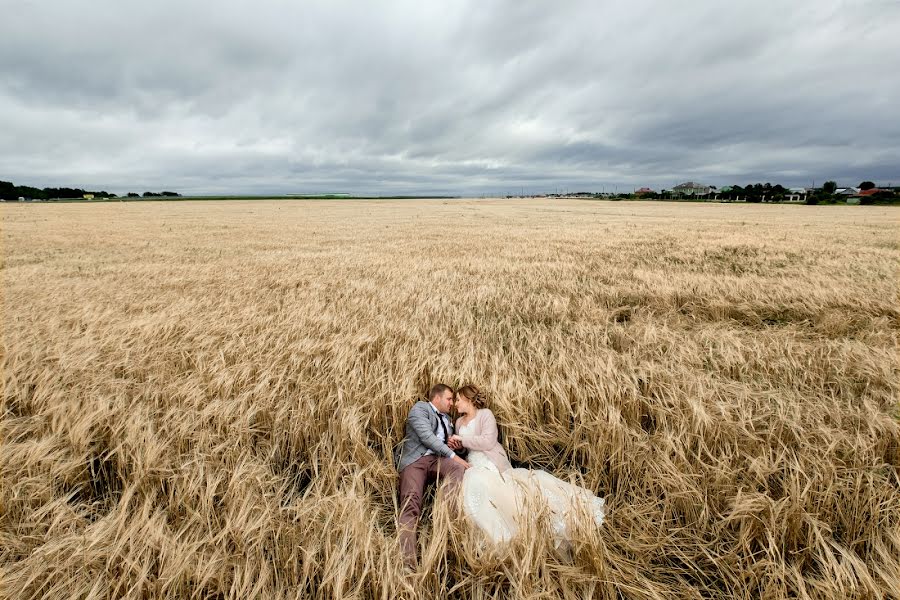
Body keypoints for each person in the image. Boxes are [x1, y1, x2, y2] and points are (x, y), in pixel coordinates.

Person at [450, 385, 605, 551]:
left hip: (492, 462)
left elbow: (488, 441)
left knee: (511, 492)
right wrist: (457, 446)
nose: (455, 404)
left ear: (468, 399)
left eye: (458, 399)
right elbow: (465, 449)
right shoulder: (459, 422)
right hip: (473, 464)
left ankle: (537, 525)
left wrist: (462, 439)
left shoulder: (485, 415)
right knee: (476, 493)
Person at [396, 383, 471, 569]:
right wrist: (453, 456)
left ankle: (445, 517)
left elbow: (448, 444)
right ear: (437, 398)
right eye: (449, 399)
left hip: (437, 460)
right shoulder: (419, 409)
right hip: (416, 461)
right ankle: (408, 564)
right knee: (410, 505)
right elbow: (427, 437)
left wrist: (456, 447)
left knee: (457, 469)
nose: (452, 403)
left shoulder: (446, 419)